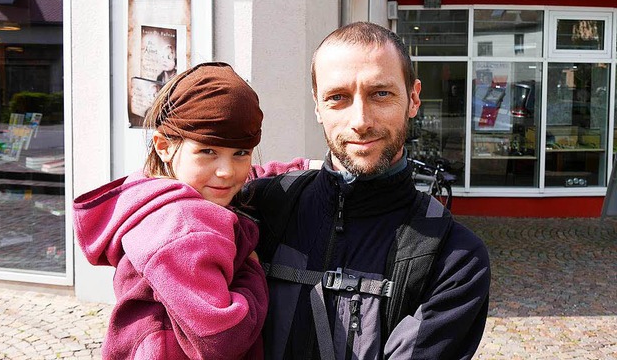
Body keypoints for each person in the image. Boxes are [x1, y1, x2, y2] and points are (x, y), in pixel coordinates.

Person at [246, 22, 490, 359]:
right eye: (338, 98)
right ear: (317, 105)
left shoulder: (453, 258)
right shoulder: (262, 210)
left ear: (413, 98)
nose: (360, 121)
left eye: (380, 93)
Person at [73, 62, 311, 360]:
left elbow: (250, 175)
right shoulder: (185, 227)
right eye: (207, 151)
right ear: (163, 146)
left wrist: (299, 168)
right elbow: (224, 339)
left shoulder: (154, 193)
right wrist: (251, 266)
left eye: (241, 153)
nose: (226, 172)